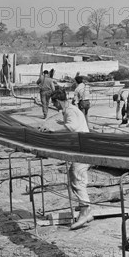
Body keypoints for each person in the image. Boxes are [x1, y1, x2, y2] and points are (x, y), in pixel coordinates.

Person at [41, 88, 92, 230]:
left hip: (82, 149)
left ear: (58, 101)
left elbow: (72, 127)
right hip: (79, 148)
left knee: (77, 179)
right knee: (74, 176)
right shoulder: (69, 111)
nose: (54, 106)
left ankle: (85, 212)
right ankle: (85, 209)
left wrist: (54, 131)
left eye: (54, 103)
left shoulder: (70, 111)